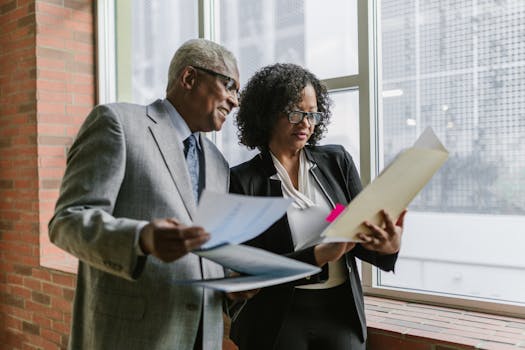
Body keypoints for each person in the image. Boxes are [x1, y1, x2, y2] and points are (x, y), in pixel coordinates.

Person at [48, 38, 244, 350]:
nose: (235, 101)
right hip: (129, 336)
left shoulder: (219, 164)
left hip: (201, 337)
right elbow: (67, 222)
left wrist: (232, 282)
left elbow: (205, 250)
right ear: (189, 78)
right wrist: (141, 238)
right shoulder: (117, 123)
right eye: (230, 85)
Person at [229, 63, 407, 350]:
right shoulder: (242, 181)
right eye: (295, 112)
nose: (306, 123)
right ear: (267, 114)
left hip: (339, 312)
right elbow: (251, 272)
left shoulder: (336, 162)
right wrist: (317, 255)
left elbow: (356, 238)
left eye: (312, 114)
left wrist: (387, 247)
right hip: (277, 317)